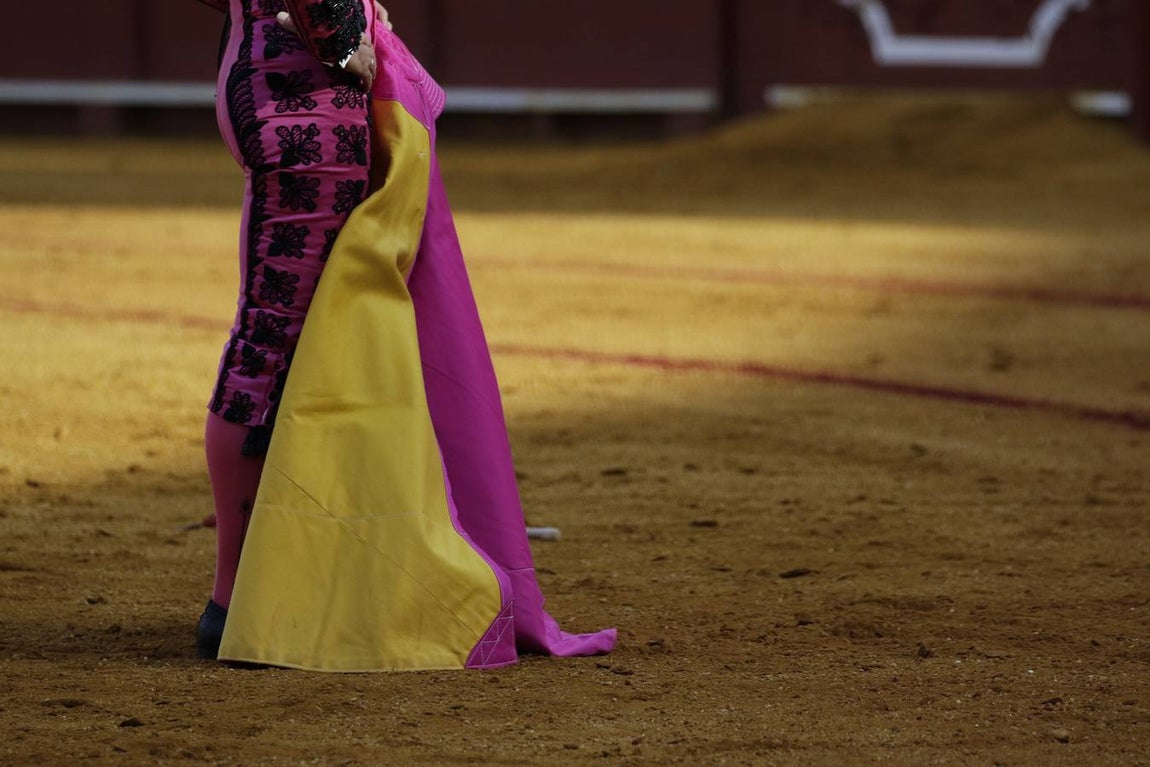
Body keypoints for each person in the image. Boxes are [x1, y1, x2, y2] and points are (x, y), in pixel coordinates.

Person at [191, 0, 616, 670]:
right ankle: (233, 599)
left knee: (282, 339)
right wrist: (334, 25)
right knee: (272, 343)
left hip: (277, 70)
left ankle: (248, 589)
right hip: (304, 96)